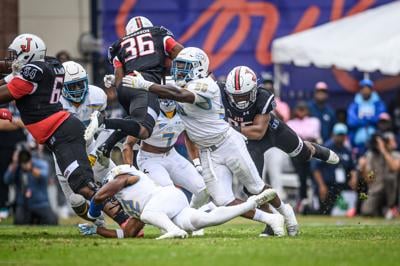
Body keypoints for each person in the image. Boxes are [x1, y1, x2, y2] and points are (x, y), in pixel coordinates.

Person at [121, 47, 297, 237]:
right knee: (224, 201)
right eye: (178, 66)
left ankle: (287, 213)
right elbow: (163, 88)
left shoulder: (206, 84)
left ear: (198, 68)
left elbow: (181, 95)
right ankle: (270, 218)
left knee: (256, 187)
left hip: (227, 143)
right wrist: (121, 83)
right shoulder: (182, 84)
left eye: (184, 67)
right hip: (207, 151)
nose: (178, 71)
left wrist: (145, 85)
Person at [0, 34, 140, 232]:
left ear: (28, 56)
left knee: (86, 183)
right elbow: (12, 71)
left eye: (16, 55)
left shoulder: (33, 74)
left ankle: (128, 220)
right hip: (61, 136)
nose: (12, 60)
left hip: (69, 135)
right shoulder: (47, 65)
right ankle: (118, 221)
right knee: (78, 193)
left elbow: (7, 89)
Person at [78, 165, 276, 239]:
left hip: (166, 197)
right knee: (204, 221)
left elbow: (99, 196)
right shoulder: (133, 204)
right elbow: (128, 233)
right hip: (169, 207)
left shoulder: (125, 177)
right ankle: (252, 204)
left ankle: (173, 230)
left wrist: (93, 214)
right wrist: (97, 231)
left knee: (148, 214)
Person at [85, 16, 184, 158]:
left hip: (126, 89)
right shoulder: (158, 34)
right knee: (144, 130)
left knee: (134, 120)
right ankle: (103, 122)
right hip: (144, 86)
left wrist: (117, 83)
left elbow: (119, 80)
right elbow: (183, 54)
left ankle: (107, 145)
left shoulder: (118, 45)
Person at [122, 98, 209, 209]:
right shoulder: (148, 114)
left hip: (172, 155)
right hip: (149, 159)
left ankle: (191, 215)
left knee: (203, 190)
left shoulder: (184, 111)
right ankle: (171, 222)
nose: (168, 99)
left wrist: (197, 163)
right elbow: (128, 145)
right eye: (164, 95)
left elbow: (189, 137)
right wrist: (130, 171)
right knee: (170, 194)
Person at [311, 123, 357, 215]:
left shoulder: (347, 150)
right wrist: (321, 186)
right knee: (323, 212)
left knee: (334, 212)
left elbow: (352, 167)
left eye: (343, 135)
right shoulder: (325, 149)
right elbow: (316, 168)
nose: (341, 137)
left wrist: (354, 177)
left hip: (340, 186)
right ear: (333, 135)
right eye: (339, 134)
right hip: (327, 185)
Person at [4, 147, 57, 225]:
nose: (24, 159)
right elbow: (7, 180)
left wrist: (31, 169)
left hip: (40, 203)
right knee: (19, 222)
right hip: (23, 204)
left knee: (52, 221)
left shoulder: (39, 163)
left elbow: (45, 175)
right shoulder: (16, 167)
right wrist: (14, 163)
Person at [287, 101, 322, 207]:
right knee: (302, 175)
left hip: (312, 152)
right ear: (295, 110)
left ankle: (315, 200)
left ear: (307, 110)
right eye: (299, 109)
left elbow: (313, 135)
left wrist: (302, 136)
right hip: (297, 153)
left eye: (303, 109)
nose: (301, 111)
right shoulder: (290, 123)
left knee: (313, 171)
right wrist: (303, 137)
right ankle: (303, 199)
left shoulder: (314, 121)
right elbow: (292, 138)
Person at [358, 132, 400, 218]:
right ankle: (381, 211)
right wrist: (363, 168)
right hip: (376, 190)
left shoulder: (396, 155)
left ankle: (392, 207)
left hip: (393, 192)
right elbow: (370, 179)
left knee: (390, 178)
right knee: (366, 211)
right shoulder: (371, 156)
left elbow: (394, 167)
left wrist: (383, 150)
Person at [0, 103, 26, 219]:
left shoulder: (24, 102)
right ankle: (3, 206)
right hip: (3, 146)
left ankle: (21, 207)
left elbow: (30, 122)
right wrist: (20, 122)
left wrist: (13, 121)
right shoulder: (2, 101)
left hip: (21, 145)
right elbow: (1, 125)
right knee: (2, 178)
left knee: (22, 178)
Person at [347, 78, 386, 155]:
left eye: (367, 89)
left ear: (371, 90)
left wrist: (366, 119)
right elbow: (351, 121)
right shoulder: (354, 104)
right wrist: (365, 121)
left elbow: (381, 118)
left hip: (374, 143)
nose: (365, 91)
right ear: (360, 90)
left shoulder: (378, 103)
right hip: (358, 142)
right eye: (363, 89)